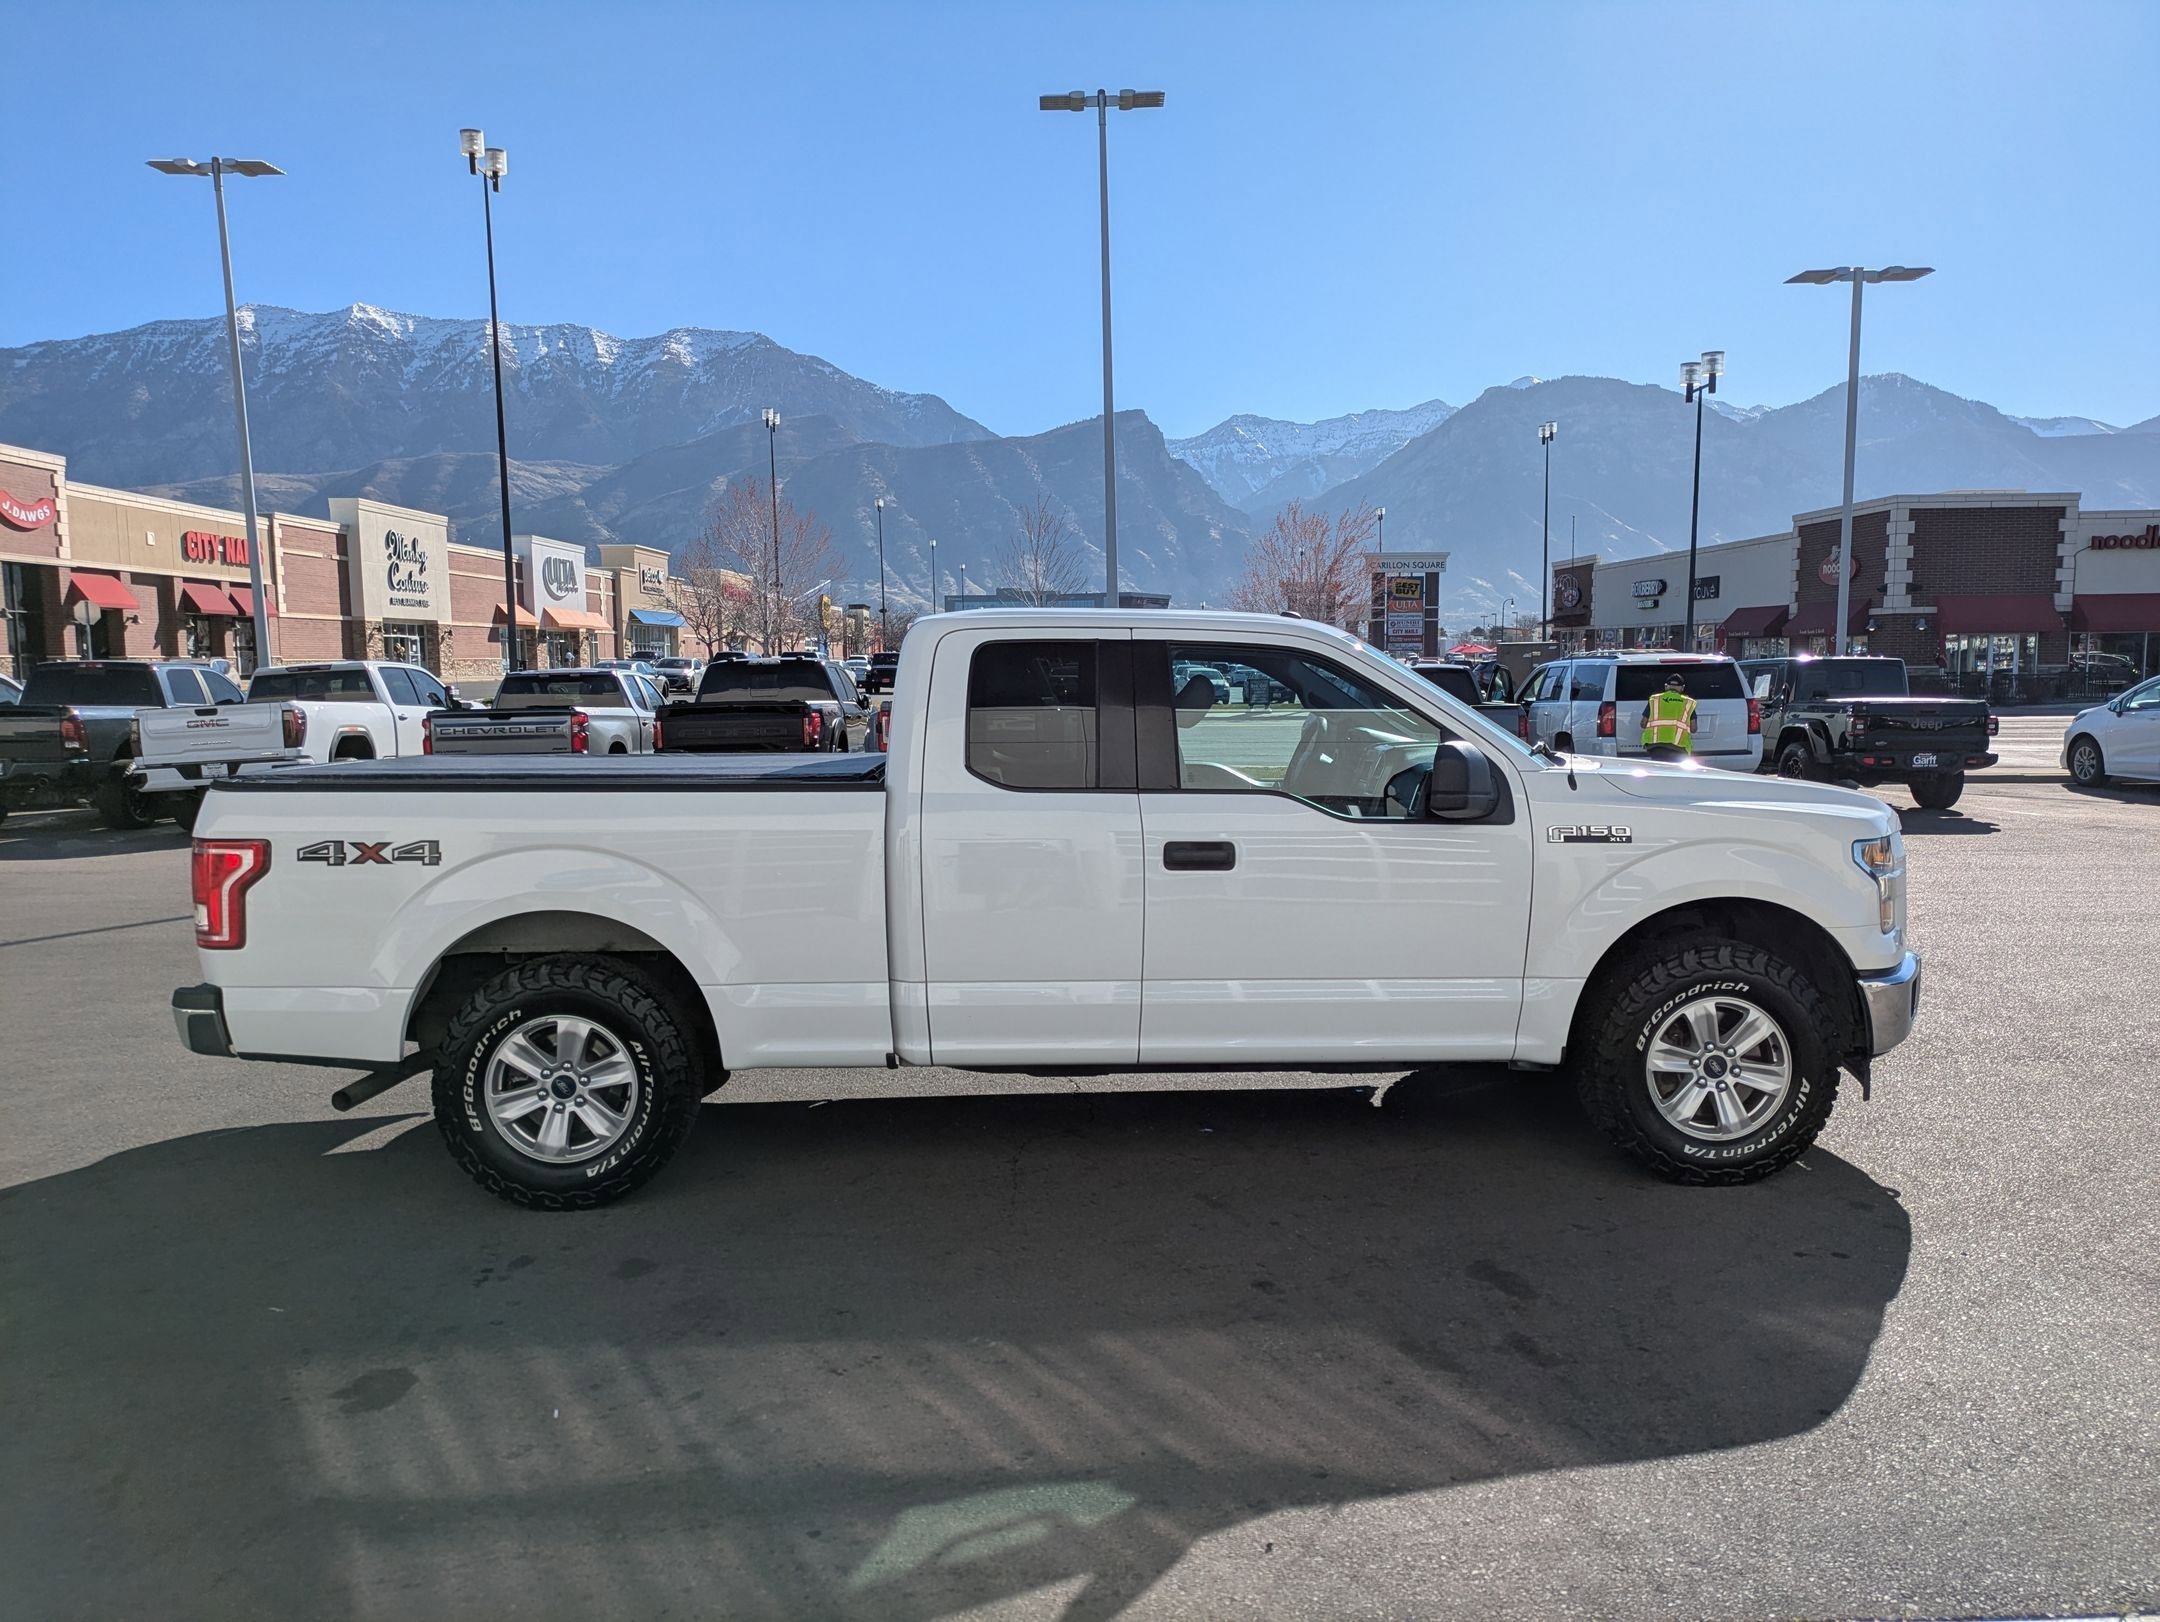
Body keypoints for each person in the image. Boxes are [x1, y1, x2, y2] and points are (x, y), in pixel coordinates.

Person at [1640, 672, 1697, 762]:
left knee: (1659, 771)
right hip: (1678, 746)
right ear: (1682, 688)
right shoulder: (1687, 703)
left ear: (1666, 686)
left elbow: (1643, 723)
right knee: (1675, 773)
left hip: (1655, 746)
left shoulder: (1655, 699)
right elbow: (1693, 728)